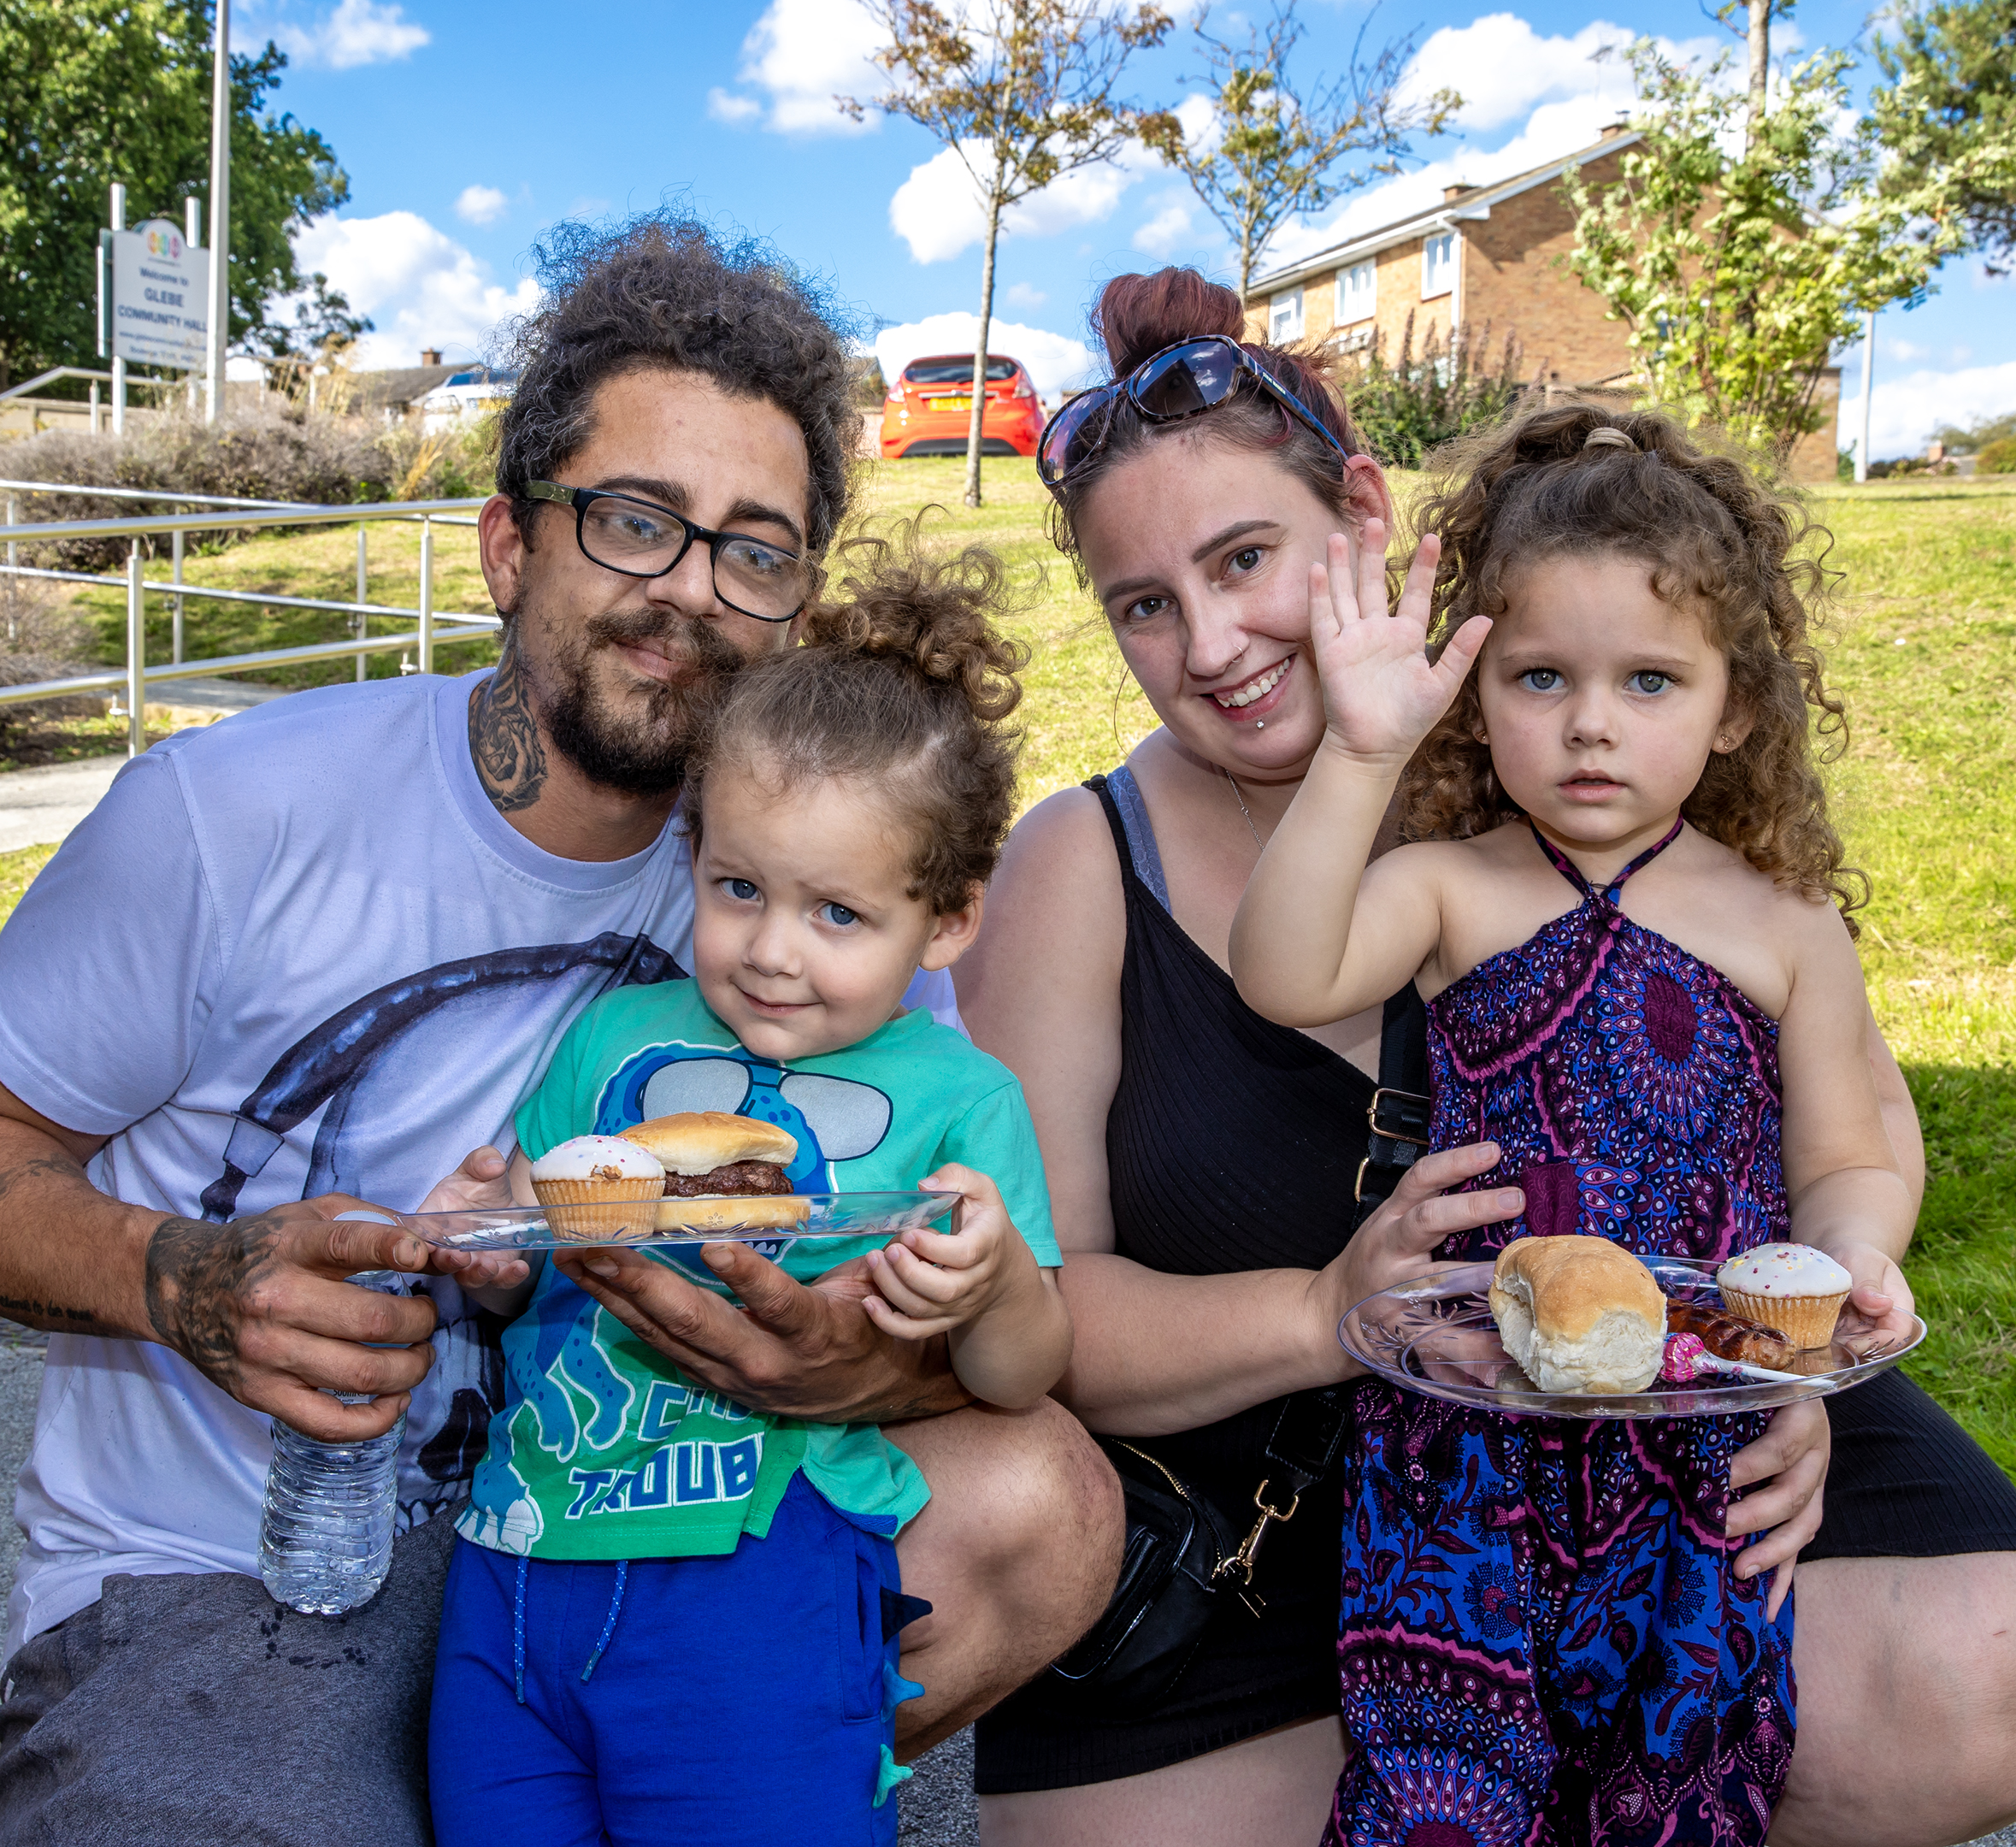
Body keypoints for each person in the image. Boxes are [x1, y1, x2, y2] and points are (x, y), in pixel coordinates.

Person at [0, 215, 1118, 1847]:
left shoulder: (824, 906)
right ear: (509, 545)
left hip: (622, 1530)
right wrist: (180, 1282)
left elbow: (950, 1308)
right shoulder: (226, 817)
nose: (689, 591)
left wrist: (857, 1361)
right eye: (632, 521)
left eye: (755, 548)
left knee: (1047, 1502)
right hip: (236, 1567)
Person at [955, 266, 2016, 1847]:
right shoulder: (1086, 862)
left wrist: (1778, 1375)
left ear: (1366, 515)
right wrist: (1328, 1312)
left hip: (1662, 1425)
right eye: (1143, 604)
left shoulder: (1603, 784)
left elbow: (1846, 1126)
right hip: (1311, 1513)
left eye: (1246, 558)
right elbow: (1041, 1310)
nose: (1214, 642)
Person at [1228, 402, 1915, 1844]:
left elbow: (1845, 1155)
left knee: (1678, 1780)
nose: (1590, 721)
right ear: (1475, 697)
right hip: (1463, 1443)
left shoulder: (1782, 921)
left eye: (1650, 680)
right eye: (1540, 676)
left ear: (1735, 706)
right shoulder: (1447, 888)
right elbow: (1283, 973)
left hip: (1701, 1437)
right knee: (1446, 1787)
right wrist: (1357, 753)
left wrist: (1844, 1268)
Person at [427, 532, 1074, 1846]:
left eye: (837, 914)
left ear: (946, 920)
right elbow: (527, 1259)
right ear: (695, 855)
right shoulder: (614, 1040)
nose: (773, 952)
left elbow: (1022, 1374)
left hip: (757, 1579)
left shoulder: (963, 1100)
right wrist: (483, 1247)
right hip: (517, 1561)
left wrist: (996, 1281)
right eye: (737, 889)